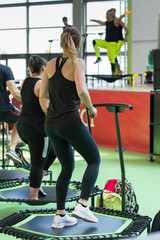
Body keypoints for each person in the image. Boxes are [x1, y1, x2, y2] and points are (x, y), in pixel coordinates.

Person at [40, 27, 101, 228]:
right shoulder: (78, 63)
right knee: (94, 159)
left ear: (61, 43)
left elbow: (44, 95)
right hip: (70, 122)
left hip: (51, 124)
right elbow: (82, 90)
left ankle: (60, 216)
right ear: (78, 44)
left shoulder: (50, 65)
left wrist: (59, 99)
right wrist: (90, 108)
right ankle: (83, 204)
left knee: (67, 167)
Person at [17, 55, 56, 200]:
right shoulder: (41, 85)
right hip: (38, 129)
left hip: (23, 126)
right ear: (43, 68)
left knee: (52, 152)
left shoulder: (25, 81)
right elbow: (47, 107)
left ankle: (37, 183)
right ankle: (33, 197)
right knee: (38, 163)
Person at [91, 9, 131, 75]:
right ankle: (98, 57)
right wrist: (94, 20)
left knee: (112, 59)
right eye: (106, 14)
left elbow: (121, 19)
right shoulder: (107, 23)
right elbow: (101, 22)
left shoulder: (116, 21)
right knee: (94, 41)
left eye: (107, 14)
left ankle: (115, 73)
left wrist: (125, 13)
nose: (106, 16)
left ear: (112, 15)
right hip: (106, 42)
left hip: (113, 43)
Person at [0, 63, 22, 164]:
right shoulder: (4, 69)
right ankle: (12, 149)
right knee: (21, 118)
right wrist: (31, 101)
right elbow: (15, 93)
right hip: (3, 109)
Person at [110, 8, 129, 74]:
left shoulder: (119, 21)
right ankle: (116, 70)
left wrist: (126, 36)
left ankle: (117, 70)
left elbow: (127, 29)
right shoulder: (110, 23)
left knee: (113, 56)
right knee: (112, 57)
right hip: (113, 42)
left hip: (119, 41)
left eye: (112, 13)